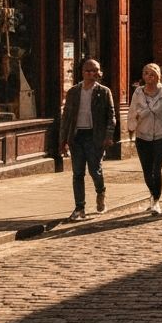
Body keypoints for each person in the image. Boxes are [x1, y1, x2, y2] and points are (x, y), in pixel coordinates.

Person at [59, 58, 117, 221]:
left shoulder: (104, 92)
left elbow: (111, 117)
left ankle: (101, 191)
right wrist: (62, 141)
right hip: (77, 137)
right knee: (77, 173)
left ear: (99, 72)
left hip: (94, 137)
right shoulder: (73, 92)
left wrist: (108, 136)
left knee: (94, 171)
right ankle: (79, 208)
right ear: (82, 72)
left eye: (95, 71)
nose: (92, 74)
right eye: (88, 71)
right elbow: (66, 118)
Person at [127, 62, 162, 216]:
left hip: (161, 136)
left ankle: (156, 201)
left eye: (152, 74)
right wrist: (131, 127)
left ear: (158, 76)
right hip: (142, 135)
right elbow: (131, 112)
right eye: (146, 74)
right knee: (146, 170)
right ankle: (152, 193)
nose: (148, 77)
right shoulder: (138, 92)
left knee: (156, 169)